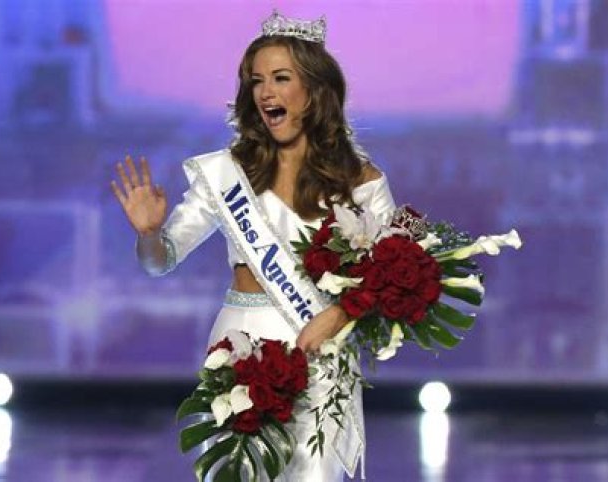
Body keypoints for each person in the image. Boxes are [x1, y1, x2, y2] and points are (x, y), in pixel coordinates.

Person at [111, 11, 395, 481]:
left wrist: (339, 315)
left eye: (281, 78)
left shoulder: (360, 181)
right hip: (241, 343)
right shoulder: (227, 174)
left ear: (314, 90)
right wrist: (148, 235)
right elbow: (160, 262)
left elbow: (389, 278)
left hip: (319, 343)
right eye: (257, 81)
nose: (265, 92)